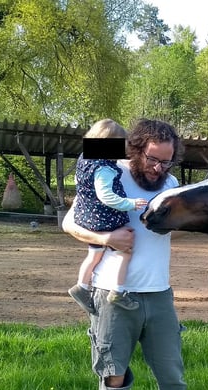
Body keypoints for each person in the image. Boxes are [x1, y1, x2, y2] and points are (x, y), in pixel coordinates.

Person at [62, 118, 206, 390]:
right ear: (136, 149)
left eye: (166, 161)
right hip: (111, 296)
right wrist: (109, 239)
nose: (159, 169)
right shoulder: (107, 169)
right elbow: (68, 223)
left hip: (159, 296)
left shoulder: (170, 184)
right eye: (154, 159)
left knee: (173, 377)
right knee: (114, 378)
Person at [68, 119, 147, 314]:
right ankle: (118, 292)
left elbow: (79, 182)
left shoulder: (84, 159)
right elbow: (106, 196)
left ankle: (81, 286)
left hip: (88, 215)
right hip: (104, 218)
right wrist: (130, 203)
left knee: (94, 254)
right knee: (126, 250)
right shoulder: (104, 168)